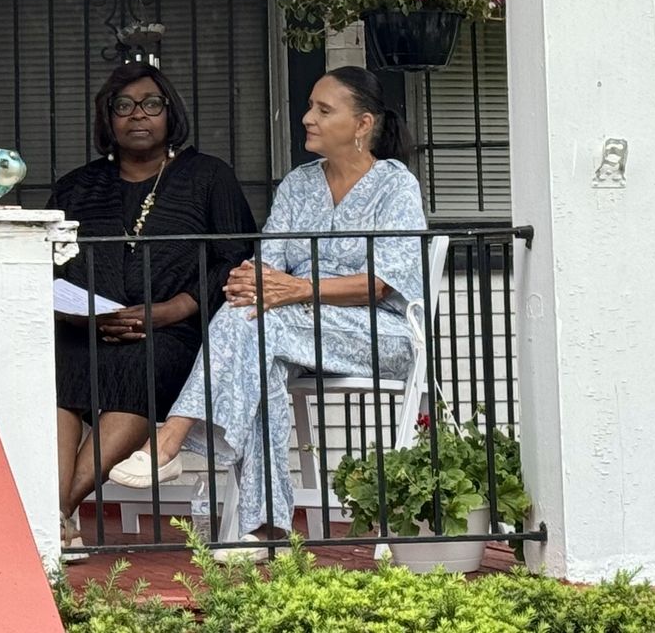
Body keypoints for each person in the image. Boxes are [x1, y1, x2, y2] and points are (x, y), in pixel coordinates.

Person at [106, 66, 426, 555]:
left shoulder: (394, 187)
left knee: (257, 324)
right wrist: (246, 280)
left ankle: (172, 436)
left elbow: (378, 284)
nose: (307, 118)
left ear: (363, 124)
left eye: (323, 109)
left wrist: (293, 288)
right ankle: (267, 529)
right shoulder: (300, 184)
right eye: (310, 107)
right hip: (292, 330)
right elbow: (268, 263)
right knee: (254, 338)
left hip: (380, 336)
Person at [50, 62, 256, 547]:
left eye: (150, 104)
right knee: (55, 365)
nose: (137, 115)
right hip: (86, 328)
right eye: (122, 106)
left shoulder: (207, 177)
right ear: (107, 119)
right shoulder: (78, 187)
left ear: (170, 113)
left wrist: (171, 309)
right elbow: (52, 263)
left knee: (144, 363)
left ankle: (55, 511)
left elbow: (236, 258)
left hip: (171, 331)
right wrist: (83, 315)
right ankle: (56, 520)